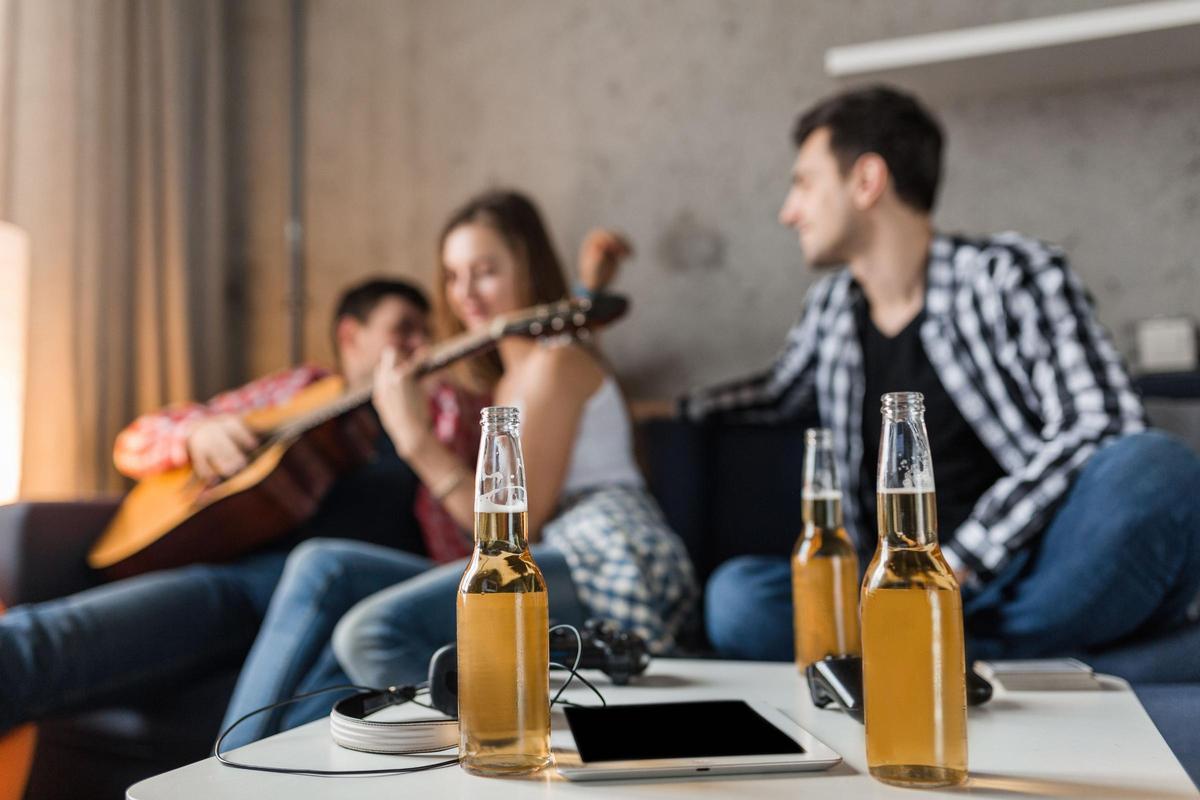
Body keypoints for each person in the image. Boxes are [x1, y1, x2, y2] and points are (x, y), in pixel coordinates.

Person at [677, 86, 1200, 670]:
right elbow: (774, 394)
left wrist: (958, 562)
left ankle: (927, 659)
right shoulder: (829, 310)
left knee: (1157, 472)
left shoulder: (1009, 275)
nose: (788, 211)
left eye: (803, 183)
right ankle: (1002, 661)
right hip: (887, 594)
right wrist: (666, 409)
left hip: (1028, 573)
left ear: (866, 180)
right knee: (739, 600)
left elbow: (1104, 421)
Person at [218, 190, 697, 747]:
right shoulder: (508, 379)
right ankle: (232, 761)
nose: (464, 293)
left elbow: (514, 536)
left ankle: (479, 754)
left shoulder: (555, 363)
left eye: (485, 272)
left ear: (529, 268)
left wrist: (412, 437)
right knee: (322, 564)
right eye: (452, 275)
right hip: (551, 551)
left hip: (605, 551)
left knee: (372, 631)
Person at [0, 277, 486, 733]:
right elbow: (135, 440)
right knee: (40, 637)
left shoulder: (451, 412)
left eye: (427, 333)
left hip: (359, 600)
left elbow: (487, 533)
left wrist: (415, 434)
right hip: (241, 582)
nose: (421, 346)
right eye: (403, 330)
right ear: (351, 336)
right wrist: (196, 435)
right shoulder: (299, 392)